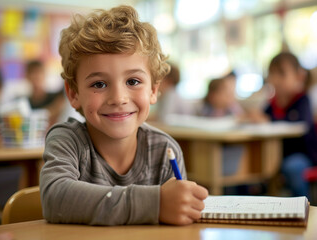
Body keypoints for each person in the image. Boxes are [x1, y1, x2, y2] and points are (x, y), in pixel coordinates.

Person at [39, 5, 208, 226]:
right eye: (99, 84)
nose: (118, 98)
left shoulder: (164, 150)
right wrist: (154, 204)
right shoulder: (67, 141)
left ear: (154, 90)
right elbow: (55, 199)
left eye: (133, 81)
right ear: (74, 93)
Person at [263, 52, 317, 197]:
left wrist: (268, 121)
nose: (276, 80)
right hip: (274, 154)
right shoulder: (272, 103)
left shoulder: (302, 99)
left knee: (293, 167)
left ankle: (303, 207)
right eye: (272, 74)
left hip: (302, 154)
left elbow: (302, 124)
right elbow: (264, 118)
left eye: (282, 74)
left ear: (298, 76)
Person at [25, 60, 65, 126]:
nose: (36, 77)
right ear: (27, 76)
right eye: (32, 73)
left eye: (38, 73)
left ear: (44, 74)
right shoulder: (24, 102)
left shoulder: (55, 97)